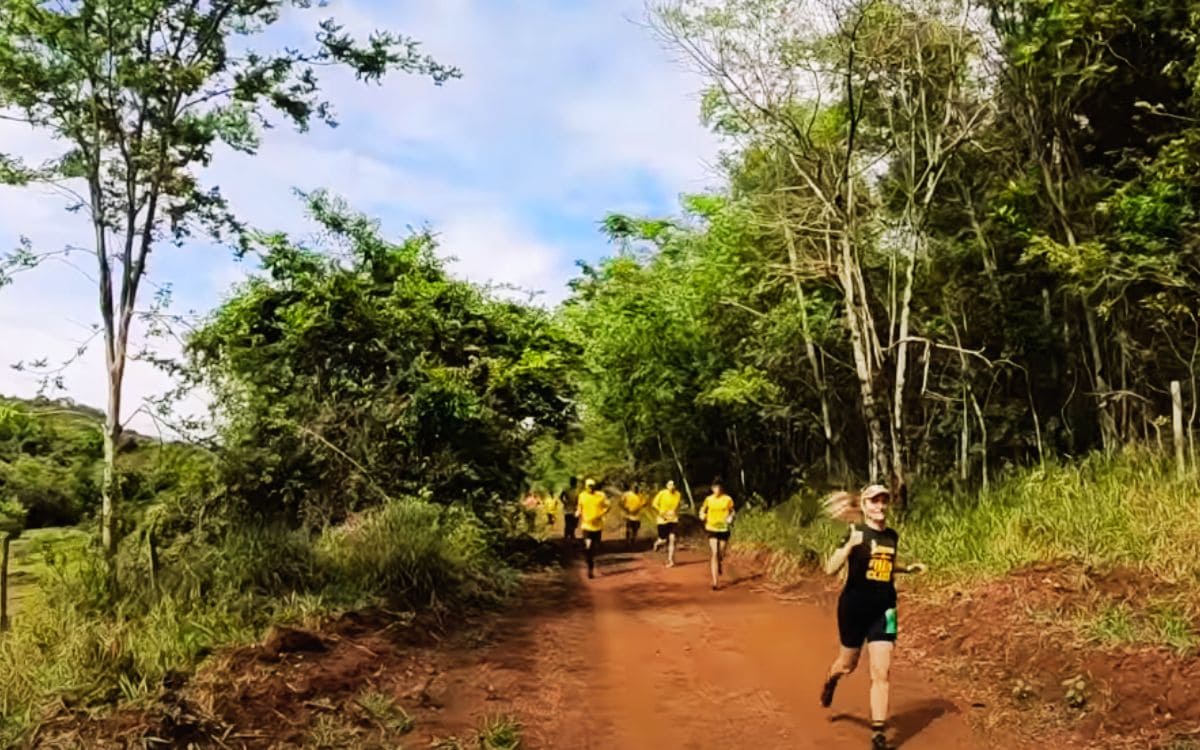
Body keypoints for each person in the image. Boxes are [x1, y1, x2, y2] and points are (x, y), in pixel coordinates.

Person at [818, 484, 926, 750]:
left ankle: (878, 734)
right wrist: (847, 548)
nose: (880, 506)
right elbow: (830, 569)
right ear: (865, 506)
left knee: (882, 672)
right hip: (853, 609)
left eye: (883, 501)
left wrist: (907, 568)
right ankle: (831, 678)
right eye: (874, 501)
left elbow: (886, 564)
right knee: (848, 665)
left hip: (884, 609)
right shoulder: (855, 533)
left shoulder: (891, 535)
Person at [698, 480, 735, 590]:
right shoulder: (708, 499)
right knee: (714, 552)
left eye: (719, 487)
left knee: (721, 552)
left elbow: (732, 511)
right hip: (711, 527)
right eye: (715, 487)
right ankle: (715, 582)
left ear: (721, 488)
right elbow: (702, 509)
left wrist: (731, 517)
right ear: (712, 488)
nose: (717, 489)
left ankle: (720, 561)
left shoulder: (727, 499)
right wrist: (702, 515)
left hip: (723, 528)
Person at [575, 478, 610, 579]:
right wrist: (578, 513)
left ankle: (590, 560)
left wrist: (602, 513)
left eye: (592, 485)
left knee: (595, 547)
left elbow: (607, 506)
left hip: (598, 526)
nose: (591, 487)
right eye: (589, 486)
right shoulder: (582, 496)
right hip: (586, 525)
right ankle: (590, 568)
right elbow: (579, 507)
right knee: (588, 547)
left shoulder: (601, 495)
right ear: (586, 486)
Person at [651, 480, 682, 567]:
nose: (671, 486)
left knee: (672, 539)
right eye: (670, 485)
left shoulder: (678, 494)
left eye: (673, 484)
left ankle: (670, 560)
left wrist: (676, 513)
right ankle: (657, 543)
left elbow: (678, 505)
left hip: (673, 519)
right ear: (667, 486)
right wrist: (660, 511)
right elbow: (654, 504)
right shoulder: (662, 493)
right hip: (662, 519)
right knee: (663, 540)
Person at [621, 484, 648, 549]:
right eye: (634, 488)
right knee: (629, 528)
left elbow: (644, 503)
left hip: (637, 515)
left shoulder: (640, 495)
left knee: (635, 529)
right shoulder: (626, 494)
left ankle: (633, 539)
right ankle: (627, 541)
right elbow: (621, 503)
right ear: (631, 488)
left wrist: (644, 503)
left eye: (636, 488)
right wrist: (625, 509)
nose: (635, 489)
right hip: (628, 514)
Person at [560, 477, 580, 542]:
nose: (573, 483)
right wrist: (564, 502)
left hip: (574, 508)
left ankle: (572, 535)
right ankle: (566, 536)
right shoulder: (566, 489)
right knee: (568, 523)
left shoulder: (578, 490)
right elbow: (561, 497)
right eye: (572, 481)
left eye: (574, 481)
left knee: (574, 523)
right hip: (568, 509)